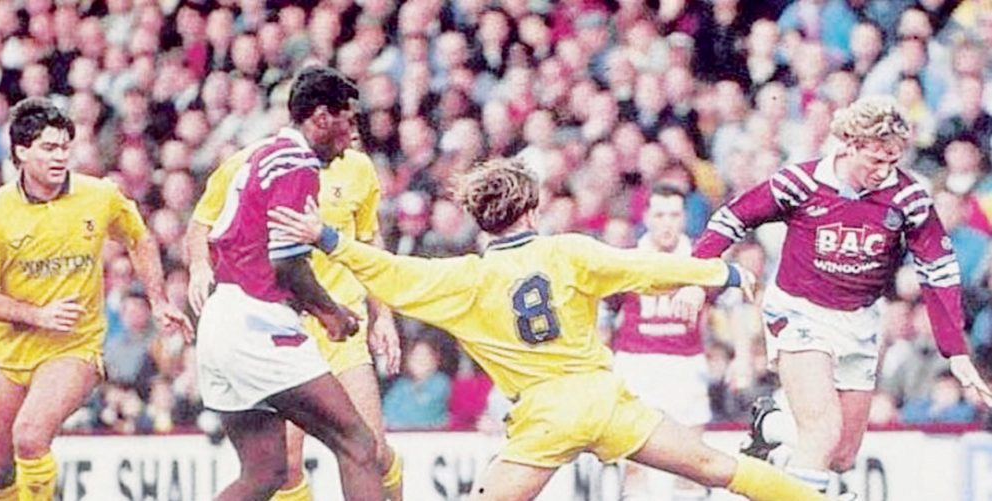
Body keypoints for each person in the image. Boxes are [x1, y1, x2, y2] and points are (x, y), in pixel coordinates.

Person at [268, 156, 842, 501]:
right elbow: (644, 268)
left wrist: (328, 237)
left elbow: (389, 272)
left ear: (480, 219)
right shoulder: (568, 252)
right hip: (602, 400)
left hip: (544, 417)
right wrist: (720, 272)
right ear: (532, 210)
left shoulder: (467, 279)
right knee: (717, 469)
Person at [689, 96, 992, 495]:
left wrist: (955, 350)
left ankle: (771, 424)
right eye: (876, 160)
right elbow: (733, 217)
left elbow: (938, 269)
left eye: (893, 161)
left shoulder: (908, 197)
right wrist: (694, 275)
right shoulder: (801, 182)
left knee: (842, 454)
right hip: (799, 311)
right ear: (850, 144)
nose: (884, 171)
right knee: (821, 430)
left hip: (860, 320)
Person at [187, 112, 403, 501]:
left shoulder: (358, 168)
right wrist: (200, 266)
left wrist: (382, 315)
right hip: (283, 320)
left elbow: (370, 242)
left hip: (342, 325)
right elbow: (201, 222)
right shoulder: (254, 160)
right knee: (286, 464)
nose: (352, 135)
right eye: (345, 124)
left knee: (370, 449)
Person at [0, 97, 191, 501]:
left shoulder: (98, 195)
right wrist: (38, 315)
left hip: (74, 348)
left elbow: (139, 238)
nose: (60, 156)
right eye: (49, 148)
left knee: (29, 436)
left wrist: (158, 299)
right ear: (21, 152)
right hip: (8, 351)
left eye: (64, 147)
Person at [600, 184, 714, 500]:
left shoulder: (700, 258)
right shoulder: (628, 260)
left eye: (674, 215)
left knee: (692, 462)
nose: (667, 223)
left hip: (686, 364)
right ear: (647, 217)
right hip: (636, 363)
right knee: (635, 462)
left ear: (684, 218)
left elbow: (725, 307)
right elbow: (605, 314)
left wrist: (742, 356)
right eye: (660, 215)